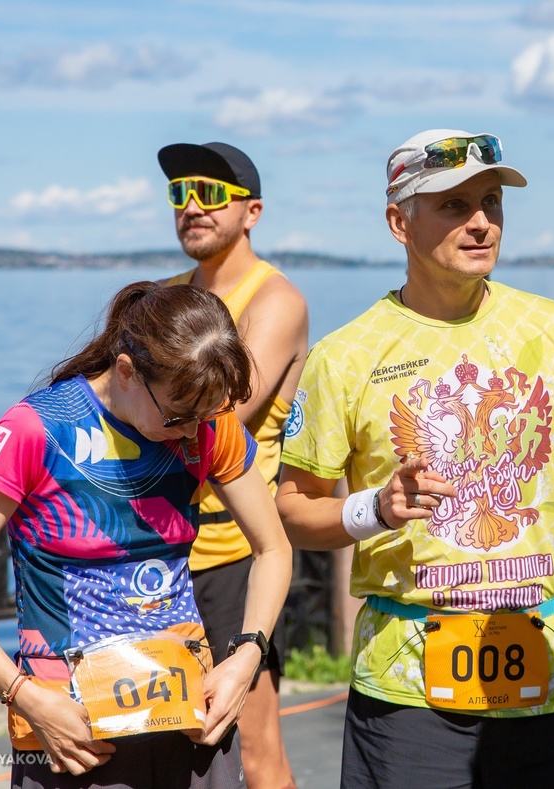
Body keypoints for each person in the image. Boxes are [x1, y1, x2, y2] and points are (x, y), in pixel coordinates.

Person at [275, 129, 554, 788]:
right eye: (452, 205)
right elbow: (293, 508)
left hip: (550, 676)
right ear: (399, 222)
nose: (481, 223)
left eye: (492, 202)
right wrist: (374, 509)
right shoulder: (345, 354)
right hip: (409, 695)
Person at [0, 282, 293, 787]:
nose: (193, 433)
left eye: (206, 415)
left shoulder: (207, 424)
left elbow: (274, 548)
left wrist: (248, 654)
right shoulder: (39, 429)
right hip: (75, 735)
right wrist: (23, 694)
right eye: (178, 417)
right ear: (127, 370)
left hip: (189, 721)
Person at [159, 140, 308, 789]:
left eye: (211, 194)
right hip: (154, 552)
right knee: (169, 744)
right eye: (179, 193)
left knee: (252, 745)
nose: (192, 206)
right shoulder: (163, 298)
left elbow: (221, 410)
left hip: (230, 552)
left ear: (251, 211)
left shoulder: (273, 299)